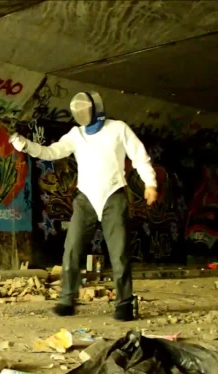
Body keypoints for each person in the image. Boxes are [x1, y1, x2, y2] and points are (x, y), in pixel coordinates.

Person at [10, 91, 157, 321]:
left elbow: (139, 156)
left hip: (113, 195)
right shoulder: (76, 134)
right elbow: (52, 152)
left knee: (119, 254)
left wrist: (151, 184)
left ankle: (125, 305)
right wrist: (25, 145)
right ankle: (67, 300)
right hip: (86, 198)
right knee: (72, 249)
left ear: (95, 109)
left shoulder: (118, 128)